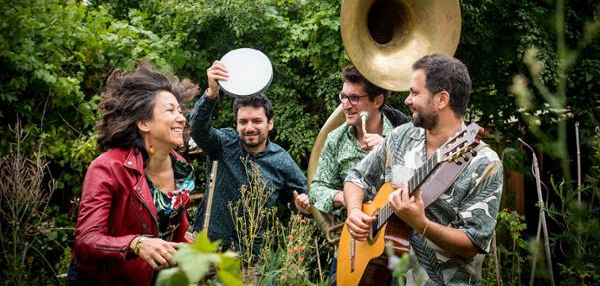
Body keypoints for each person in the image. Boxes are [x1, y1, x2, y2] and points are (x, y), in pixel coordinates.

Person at [343, 54, 503, 285]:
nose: (407, 100)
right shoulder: (400, 137)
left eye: (415, 93)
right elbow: (356, 177)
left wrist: (422, 224)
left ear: (441, 99)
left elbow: (473, 243)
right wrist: (355, 211)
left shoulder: (484, 163)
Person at [68, 62, 199, 286]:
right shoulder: (108, 167)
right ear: (144, 123)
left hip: (147, 279)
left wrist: (197, 257)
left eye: (180, 110)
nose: (181, 118)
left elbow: (174, 232)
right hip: (101, 280)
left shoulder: (182, 168)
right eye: (170, 110)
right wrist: (136, 243)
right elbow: (86, 240)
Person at [190, 60, 311, 252]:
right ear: (236, 124)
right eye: (243, 122)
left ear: (270, 123)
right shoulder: (223, 144)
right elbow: (197, 129)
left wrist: (305, 204)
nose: (249, 128)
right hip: (205, 247)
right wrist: (211, 93)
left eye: (256, 121)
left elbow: (307, 195)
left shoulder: (281, 160)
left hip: (249, 260)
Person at [309, 65, 410, 285]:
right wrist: (346, 198)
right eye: (343, 97)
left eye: (354, 98)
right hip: (354, 247)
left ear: (378, 101)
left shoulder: (403, 135)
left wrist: (389, 151)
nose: (345, 105)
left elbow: (420, 183)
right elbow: (316, 189)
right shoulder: (336, 139)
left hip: (399, 250)